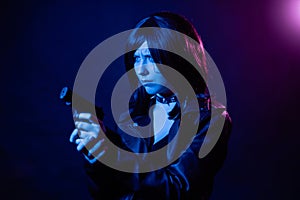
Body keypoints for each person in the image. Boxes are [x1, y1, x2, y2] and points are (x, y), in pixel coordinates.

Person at [69, 11, 232, 200]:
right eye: (137, 58)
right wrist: (98, 155)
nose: (141, 69)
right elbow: (106, 193)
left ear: (178, 58)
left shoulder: (211, 119)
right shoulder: (133, 114)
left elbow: (178, 189)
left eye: (150, 57)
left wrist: (113, 156)